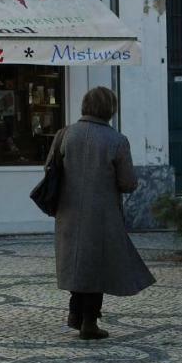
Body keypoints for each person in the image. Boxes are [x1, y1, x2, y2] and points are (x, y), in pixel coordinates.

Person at [47, 86, 154, 341]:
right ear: (110, 109)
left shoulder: (65, 134)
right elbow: (128, 182)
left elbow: (50, 167)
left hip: (69, 211)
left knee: (77, 262)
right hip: (103, 214)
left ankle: (75, 314)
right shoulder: (116, 140)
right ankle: (89, 322)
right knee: (96, 265)